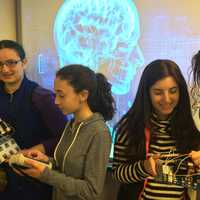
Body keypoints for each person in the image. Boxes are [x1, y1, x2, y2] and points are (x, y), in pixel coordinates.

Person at [17, 64, 116, 200]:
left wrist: (45, 174)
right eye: (56, 94)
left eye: (61, 95)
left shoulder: (99, 133)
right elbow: (67, 168)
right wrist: (46, 160)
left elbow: (91, 190)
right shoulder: (71, 124)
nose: (56, 101)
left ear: (83, 95)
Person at [112, 59, 200, 200]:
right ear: (147, 93)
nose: (167, 99)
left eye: (173, 91)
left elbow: (193, 183)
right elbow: (118, 173)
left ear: (181, 91)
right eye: (158, 92)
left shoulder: (189, 127)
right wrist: (144, 167)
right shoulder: (130, 128)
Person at [0, 40, 67, 200]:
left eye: (11, 63)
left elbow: (66, 138)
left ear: (24, 63)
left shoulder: (41, 97)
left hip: (34, 180)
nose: (5, 69)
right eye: (0, 64)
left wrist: (34, 150)